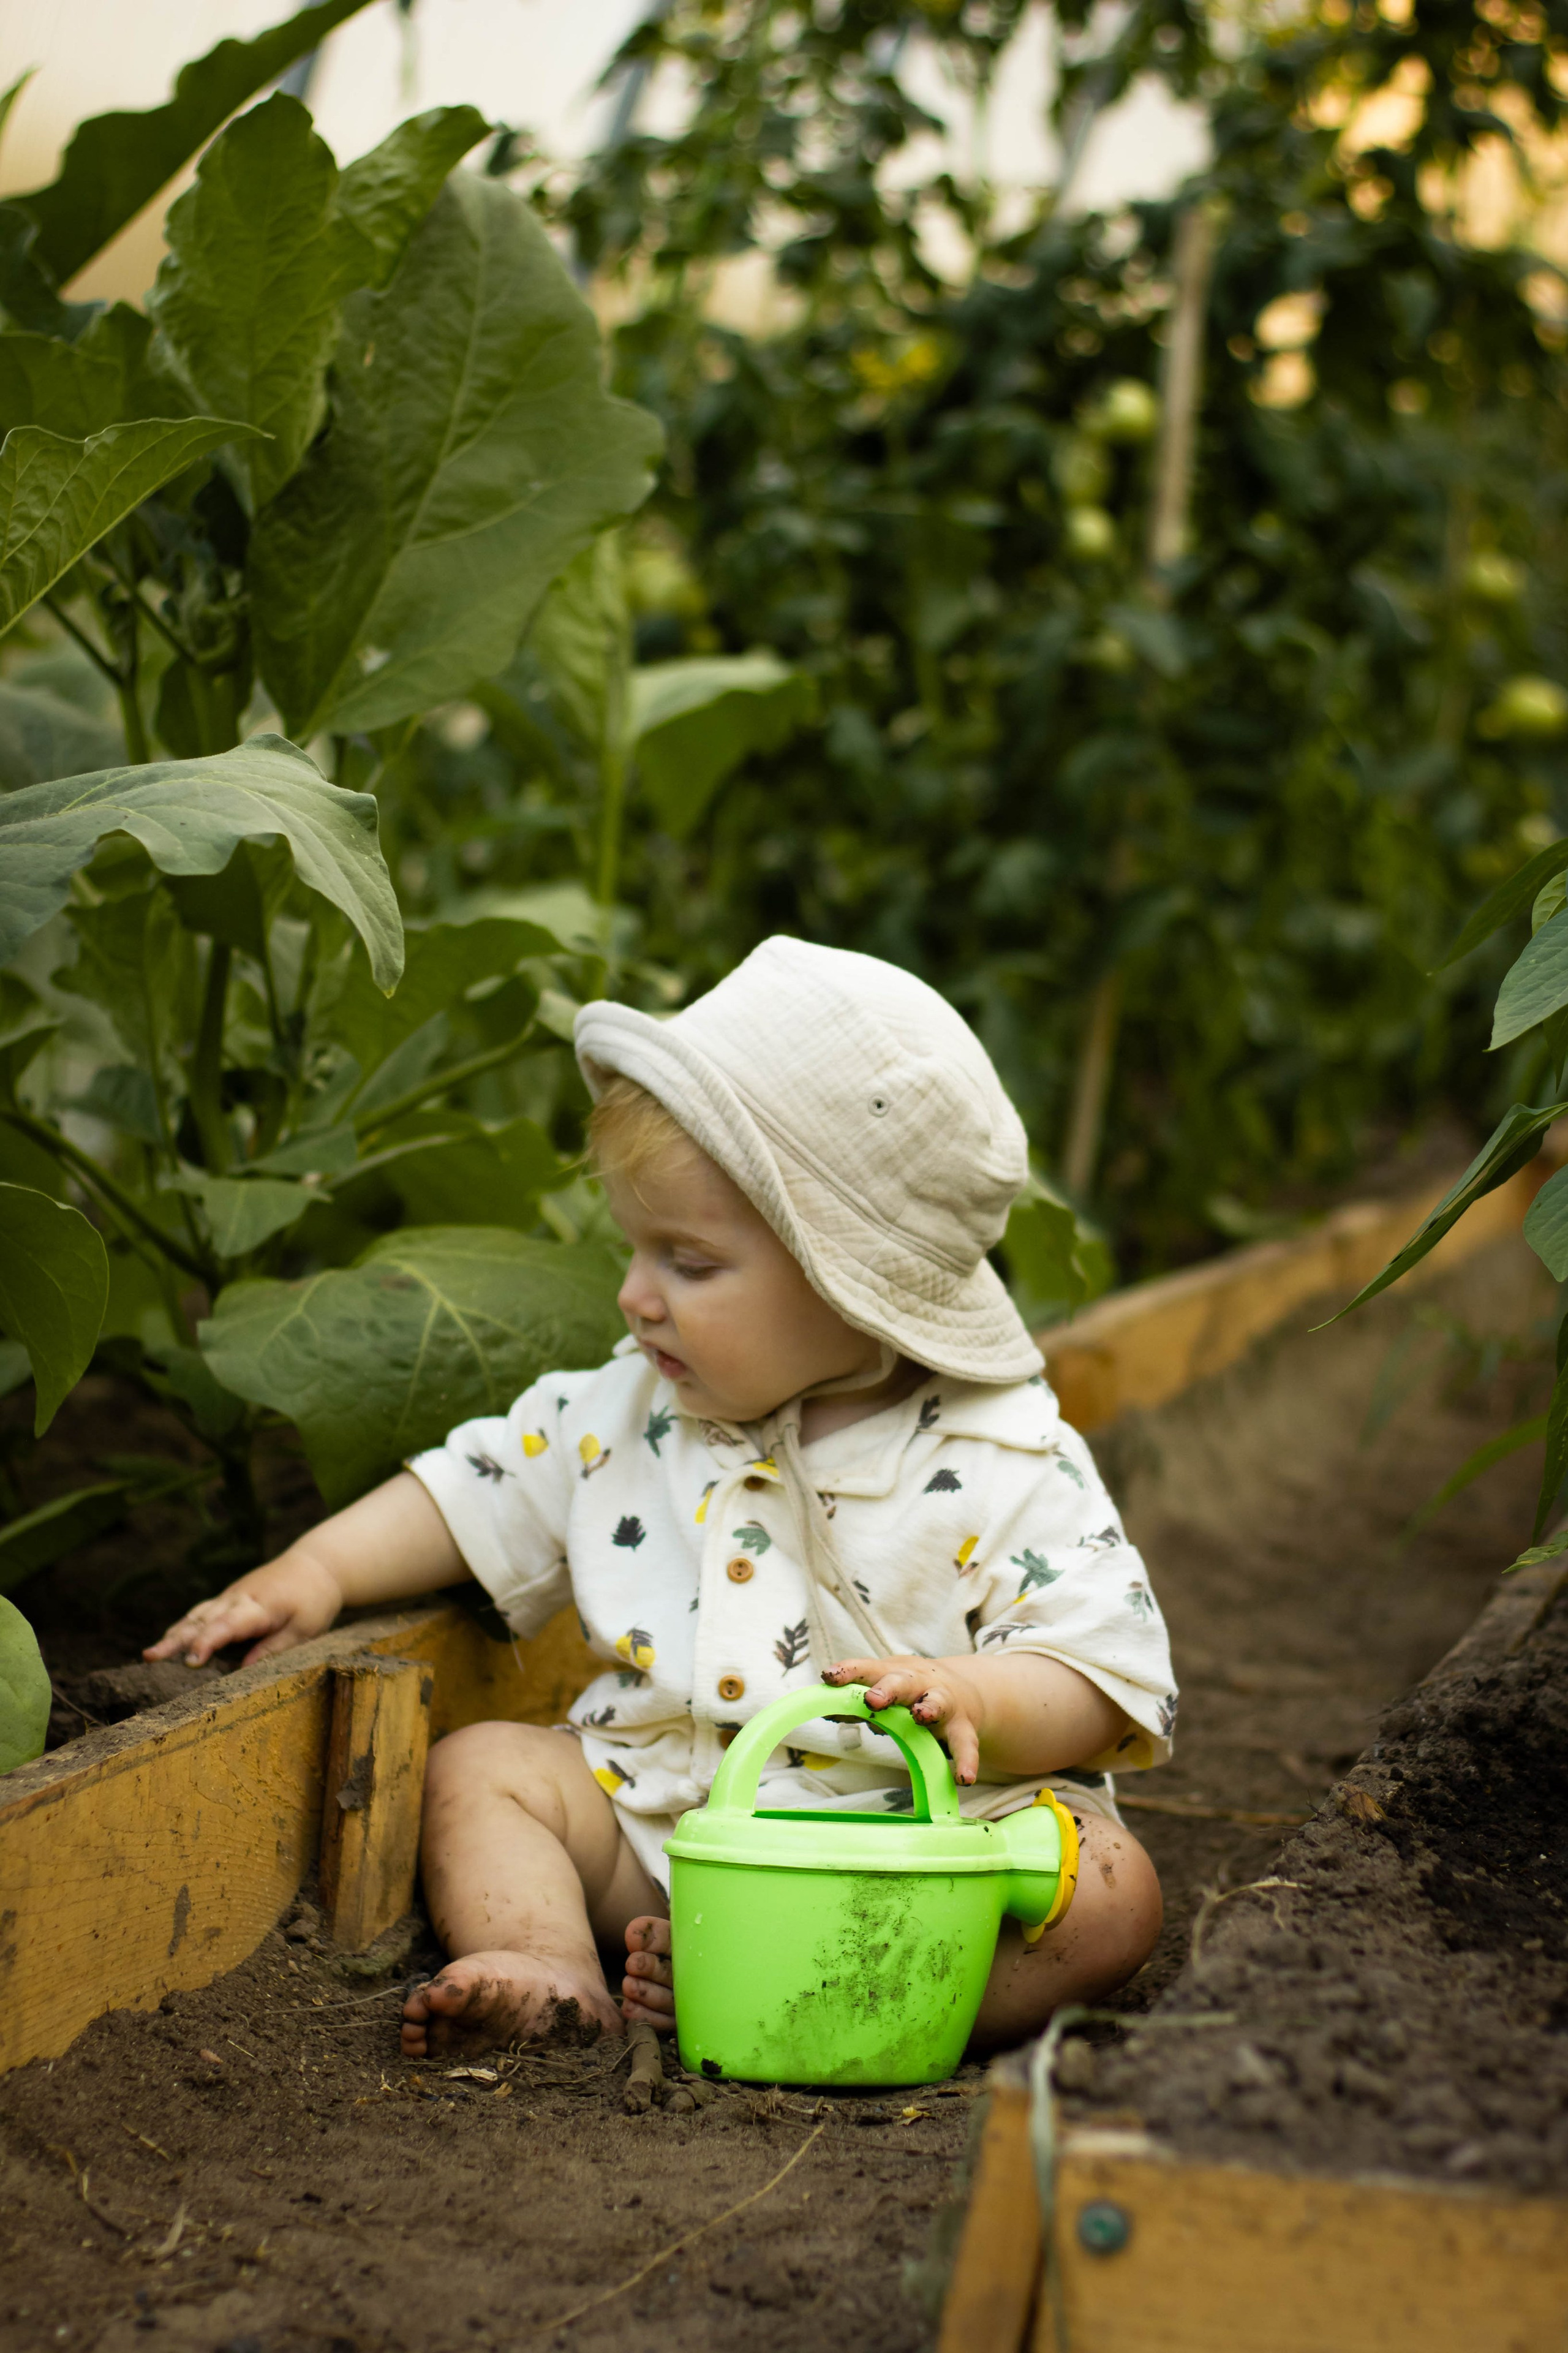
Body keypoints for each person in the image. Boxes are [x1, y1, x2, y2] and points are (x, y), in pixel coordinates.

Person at [149, 937, 1174, 2061]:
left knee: (1109, 1889)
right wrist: (317, 1571)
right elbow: (477, 1487)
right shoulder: (629, 1405)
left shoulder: (1007, 1453)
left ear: (855, 1281)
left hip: (912, 1858)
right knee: (481, 1770)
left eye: (688, 1262)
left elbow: (1097, 1672)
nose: (636, 1297)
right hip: (666, 1821)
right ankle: (551, 1964)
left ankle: (840, 1998)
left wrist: (974, 1692)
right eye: (636, 1251)